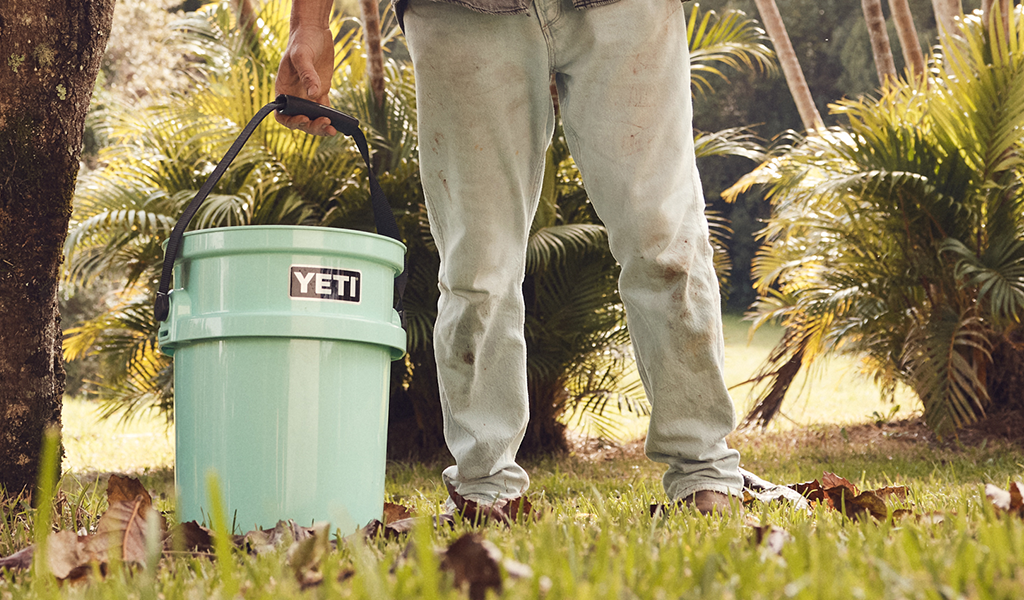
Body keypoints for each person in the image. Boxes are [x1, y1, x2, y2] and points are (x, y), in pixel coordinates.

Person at [276, 0, 750, 517]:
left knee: (665, 243)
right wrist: (310, 22)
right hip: (460, 12)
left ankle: (704, 471)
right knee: (477, 267)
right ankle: (485, 486)